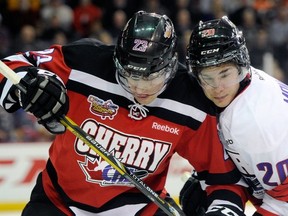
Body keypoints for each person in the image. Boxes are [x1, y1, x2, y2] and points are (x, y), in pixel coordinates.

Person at [0, 11, 247, 216]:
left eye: (151, 76)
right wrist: (29, 83)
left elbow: (223, 181)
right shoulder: (86, 62)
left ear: (171, 65)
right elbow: (9, 66)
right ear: (116, 58)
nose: (139, 87)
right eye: (130, 75)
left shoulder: (191, 101)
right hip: (57, 202)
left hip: (140, 209)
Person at [185, 15, 288, 215]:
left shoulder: (255, 125)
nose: (218, 88)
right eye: (207, 77)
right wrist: (212, 180)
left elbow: (283, 202)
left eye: (224, 74)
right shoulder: (249, 84)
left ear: (241, 64)